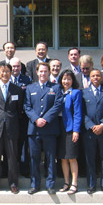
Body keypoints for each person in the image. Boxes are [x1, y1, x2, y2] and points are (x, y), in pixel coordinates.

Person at [24, 62, 63, 195]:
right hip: (34, 129)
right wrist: (36, 119)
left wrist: (45, 119)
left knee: (50, 157)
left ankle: (50, 185)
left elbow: (57, 105)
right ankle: (35, 185)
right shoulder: (30, 88)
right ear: (37, 72)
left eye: (45, 71)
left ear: (49, 72)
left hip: (50, 128)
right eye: (40, 71)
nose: (43, 73)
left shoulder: (56, 88)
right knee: (34, 158)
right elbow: (27, 106)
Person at [0, 63, 24, 194]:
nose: (5, 74)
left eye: (7, 71)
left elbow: (20, 110)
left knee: (12, 158)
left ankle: (13, 183)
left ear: (11, 72)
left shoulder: (17, 90)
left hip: (12, 128)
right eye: (2, 71)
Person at [82, 69, 103, 194]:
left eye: (98, 75)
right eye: (93, 76)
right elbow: (82, 113)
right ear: (89, 78)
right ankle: (91, 184)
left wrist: (102, 125)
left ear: (101, 78)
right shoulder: (84, 93)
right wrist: (92, 126)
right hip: (89, 132)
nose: (95, 77)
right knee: (90, 158)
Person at [57, 69, 82, 195]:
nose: (66, 81)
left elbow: (78, 113)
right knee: (62, 158)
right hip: (59, 127)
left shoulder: (76, 93)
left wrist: (76, 130)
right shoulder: (58, 92)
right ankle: (66, 182)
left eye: (69, 79)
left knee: (71, 157)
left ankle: (74, 183)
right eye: (64, 79)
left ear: (73, 81)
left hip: (70, 128)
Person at [10, 57, 32, 178]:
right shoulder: (6, 78)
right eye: (13, 66)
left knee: (24, 144)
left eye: (17, 66)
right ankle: (11, 168)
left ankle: (24, 169)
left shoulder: (27, 79)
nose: (15, 68)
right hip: (11, 116)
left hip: (23, 117)